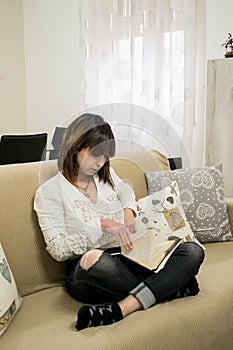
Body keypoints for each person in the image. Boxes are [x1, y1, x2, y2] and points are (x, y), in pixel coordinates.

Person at [34, 113, 205, 331]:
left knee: (192, 251)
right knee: (96, 259)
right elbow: (57, 249)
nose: (100, 162)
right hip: (88, 270)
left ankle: (120, 309)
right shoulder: (49, 192)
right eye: (95, 154)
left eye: (105, 156)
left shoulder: (106, 174)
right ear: (75, 146)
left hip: (126, 257)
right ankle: (171, 286)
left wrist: (128, 209)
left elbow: (126, 189)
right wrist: (101, 224)